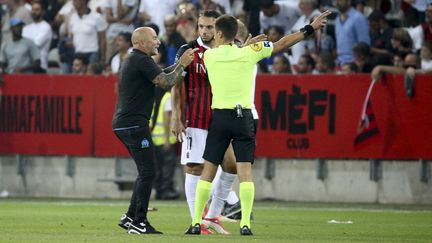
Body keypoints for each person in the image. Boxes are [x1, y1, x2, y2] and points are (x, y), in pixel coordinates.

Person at [184, 10, 331, 235]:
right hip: (244, 118)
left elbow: (219, 52)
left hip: (219, 118)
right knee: (245, 173)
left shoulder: (209, 56)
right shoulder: (250, 53)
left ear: (220, 35)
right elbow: (282, 44)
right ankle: (245, 224)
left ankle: (196, 222)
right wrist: (309, 28)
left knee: (208, 171)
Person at [112, 26, 197, 234]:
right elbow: (167, 81)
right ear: (141, 43)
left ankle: (131, 216)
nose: (158, 42)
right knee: (149, 172)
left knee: (145, 172)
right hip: (134, 124)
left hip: (125, 123)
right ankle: (139, 222)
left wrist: (178, 65)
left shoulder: (136, 60)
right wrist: (183, 65)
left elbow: (164, 73)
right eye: (154, 38)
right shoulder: (141, 60)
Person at [171, 10, 235, 235]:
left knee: (232, 165)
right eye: (202, 27)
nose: (206, 31)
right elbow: (176, 85)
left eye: (210, 27)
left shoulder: (229, 49)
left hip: (223, 118)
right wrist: (176, 117)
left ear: (219, 30)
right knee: (195, 168)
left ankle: (212, 216)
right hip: (196, 119)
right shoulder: (187, 51)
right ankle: (196, 221)